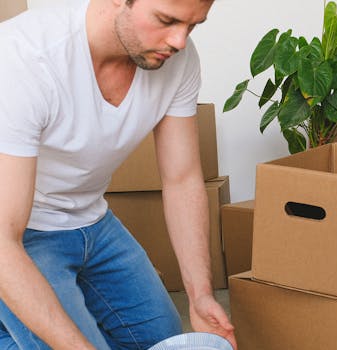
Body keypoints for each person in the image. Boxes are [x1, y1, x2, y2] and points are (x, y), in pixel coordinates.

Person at [0, 0, 237, 348]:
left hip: (93, 219)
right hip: (19, 234)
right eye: (166, 20)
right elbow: (4, 242)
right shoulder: (24, 59)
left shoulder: (178, 59)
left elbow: (182, 179)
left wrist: (199, 295)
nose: (179, 41)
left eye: (193, 26)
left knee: (169, 340)